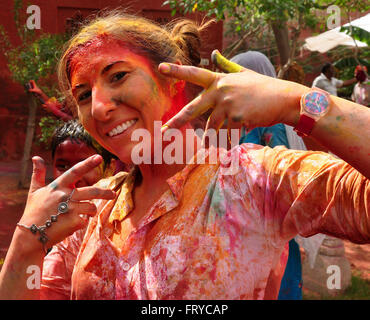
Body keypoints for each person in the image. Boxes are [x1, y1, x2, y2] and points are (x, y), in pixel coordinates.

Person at [0, 11, 369, 300]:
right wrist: (24, 247)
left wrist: (299, 102)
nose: (97, 108)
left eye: (117, 76)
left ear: (174, 83)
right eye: (83, 95)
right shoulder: (93, 209)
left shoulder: (253, 179)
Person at [51, 119, 117, 185]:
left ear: (109, 169)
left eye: (86, 167)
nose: (73, 179)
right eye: (63, 166)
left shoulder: (123, 193)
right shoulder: (44, 194)